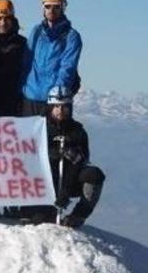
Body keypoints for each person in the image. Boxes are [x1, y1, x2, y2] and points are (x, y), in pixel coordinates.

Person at [36, 87, 106, 227]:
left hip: (69, 180)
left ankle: (76, 217)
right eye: (56, 106)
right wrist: (52, 153)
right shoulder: (38, 128)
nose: (60, 111)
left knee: (94, 175)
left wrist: (66, 192)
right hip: (42, 181)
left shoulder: (78, 132)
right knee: (39, 219)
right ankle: (30, 210)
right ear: (50, 107)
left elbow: (79, 163)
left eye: (64, 107)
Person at [22, 0, 82, 117]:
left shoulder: (71, 36)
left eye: (56, 7)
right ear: (43, 8)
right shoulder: (37, 31)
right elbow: (26, 62)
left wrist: (57, 99)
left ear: (63, 7)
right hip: (30, 97)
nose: (51, 10)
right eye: (48, 6)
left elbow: (67, 68)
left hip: (55, 102)